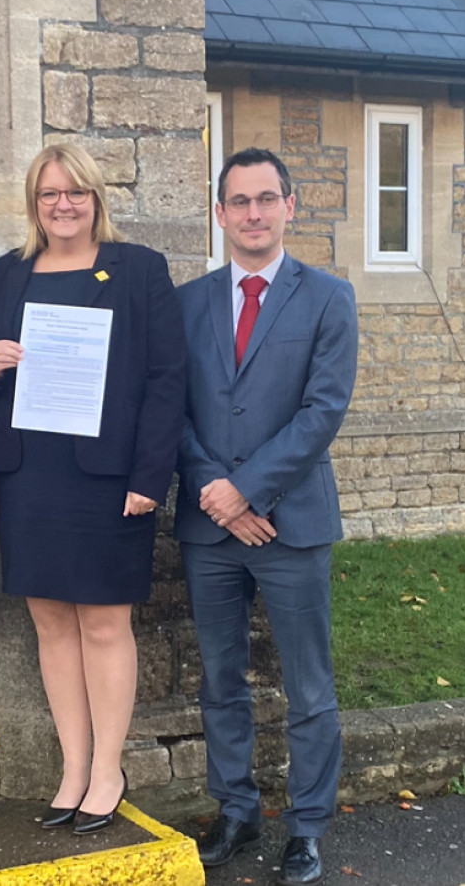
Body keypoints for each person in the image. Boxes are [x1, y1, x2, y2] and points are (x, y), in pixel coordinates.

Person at [0, 142, 185, 835]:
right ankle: (72, 765)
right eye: (48, 194)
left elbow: (166, 380)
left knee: (102, 622)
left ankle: (108, 768)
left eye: (75, 192)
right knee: (50, 621)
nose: (62, 204)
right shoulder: (9, 274)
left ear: (97, 197)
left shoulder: (139, 270)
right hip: (30, 471)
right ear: (34, 204)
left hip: (109, 477)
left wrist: (151, 476)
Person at [175, 147, 358, 885]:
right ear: (220, 214)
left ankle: (306, 826)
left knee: (308, 684)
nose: (252, 212)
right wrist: (212, 487)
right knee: (221, 678)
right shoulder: (187, 303)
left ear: (291, 204)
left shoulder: (328, 296)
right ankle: (237, 808)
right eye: (238, 201)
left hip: (292, 522)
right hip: (208, 527)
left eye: (265, 198)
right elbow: (171, 408)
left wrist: (247, 491)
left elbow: (323, 410)